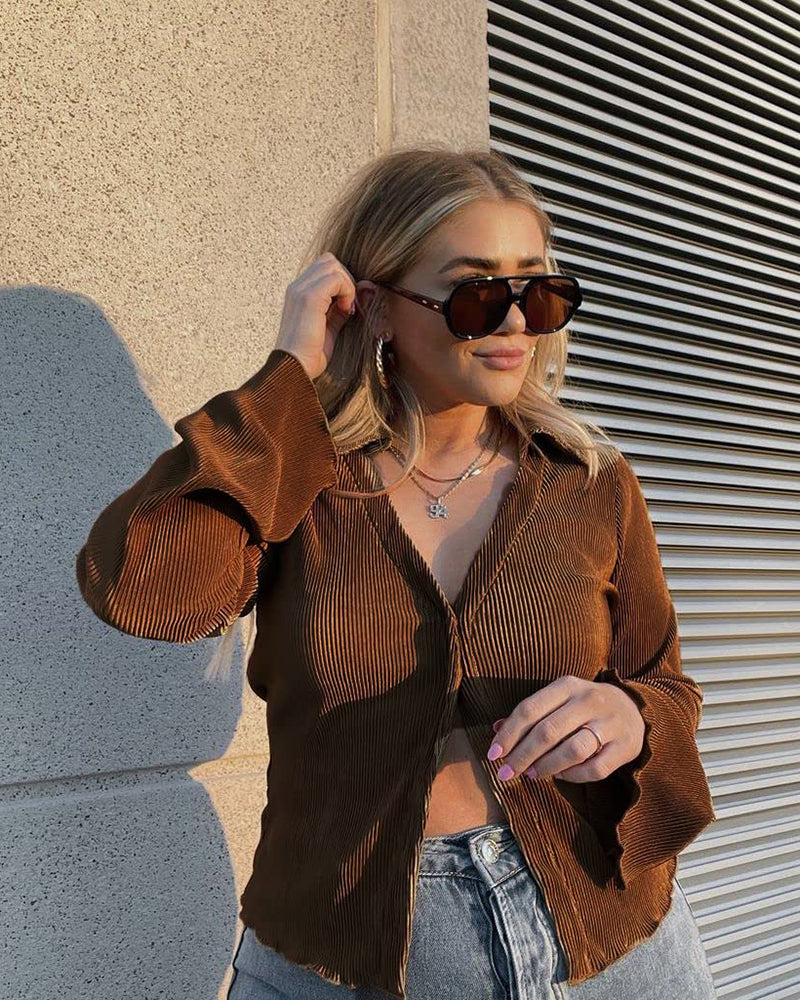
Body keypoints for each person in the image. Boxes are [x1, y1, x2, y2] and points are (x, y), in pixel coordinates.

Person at [76, 146, 717, 1000]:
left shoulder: (589, 481)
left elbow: (666, 687)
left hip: (607, 933)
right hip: (350, 955)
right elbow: (146, 592)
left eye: (538, 292)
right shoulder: (296, 479)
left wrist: (629, 718)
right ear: (376, 307)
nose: (516, 324)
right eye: (477, 293)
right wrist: (288, 375)